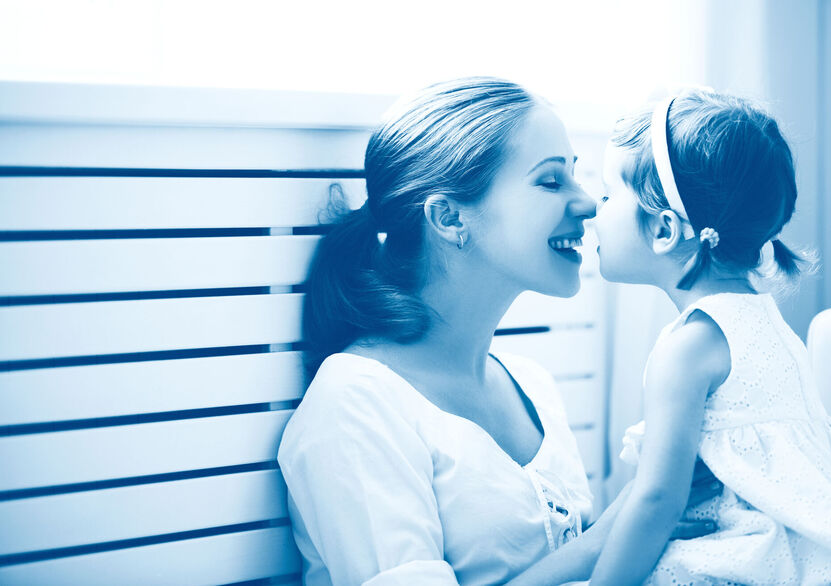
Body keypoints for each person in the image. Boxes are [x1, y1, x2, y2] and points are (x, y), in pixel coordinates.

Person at [277, 77, 720, 586]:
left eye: (576, 177)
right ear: (448, 217)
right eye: (551, 182)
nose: (589, 204)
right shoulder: (355, 404)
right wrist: (604, 538)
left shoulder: (531, 386)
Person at [588, 88, 831, 585]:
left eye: (609, 195)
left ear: (664, 230)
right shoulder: (763, 319)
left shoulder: (689, 345)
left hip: (759, 554)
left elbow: (655, 502)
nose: (594, 208)